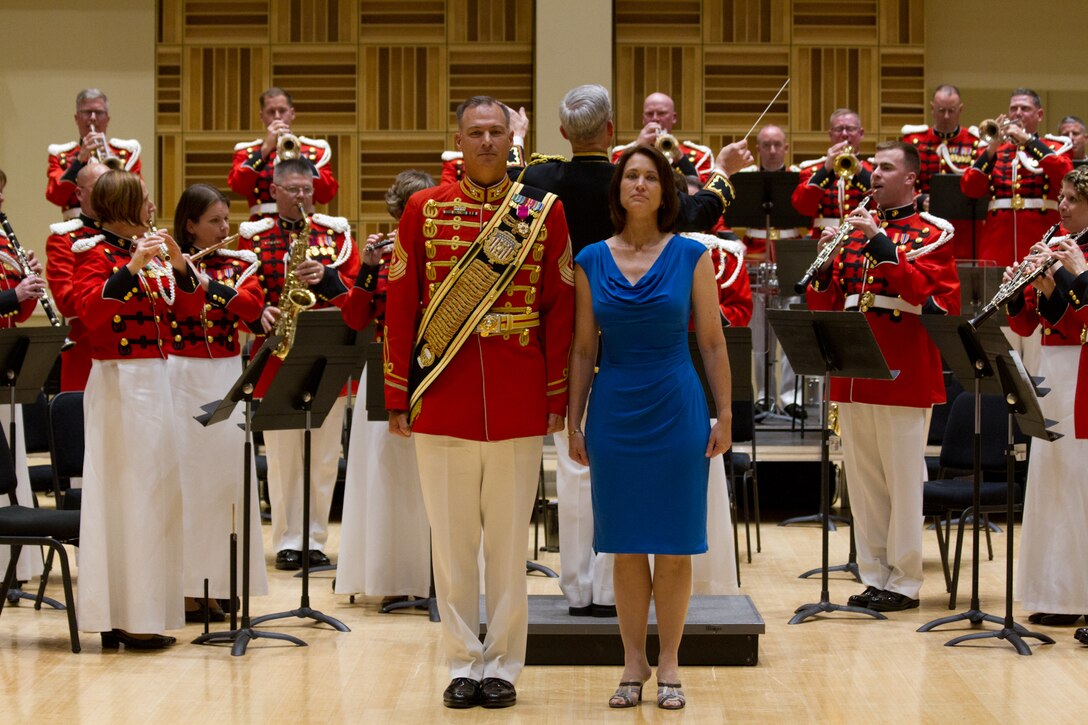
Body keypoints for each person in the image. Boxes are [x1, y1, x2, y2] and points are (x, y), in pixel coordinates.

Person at [517, 84, 750, 613]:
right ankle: (606, 588)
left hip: (566, 348)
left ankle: (577, 584)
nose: (640, 183)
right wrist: (724, 175)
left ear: (562, 133)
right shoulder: (624, 187)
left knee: (573, 478)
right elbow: (696, 211)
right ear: (611, 132)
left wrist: (516, 142)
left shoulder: (537, 177)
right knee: (607, 484)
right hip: (614, 355)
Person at [383, 96, 573, 709]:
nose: (487, 141)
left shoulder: (543, 214)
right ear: (459, 140)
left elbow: (558, 309)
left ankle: (506, 666)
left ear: (508, 139)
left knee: (509, 545)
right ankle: (463, 660)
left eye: (496, 131)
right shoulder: (423, 209)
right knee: (453, 542)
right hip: (443, 397)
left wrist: (555, 397)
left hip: (517, 397)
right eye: (476, 132)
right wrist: (397, 393)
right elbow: (402, 304)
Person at [568, 145, 732, 710]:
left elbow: (712, 342)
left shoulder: (692, 256)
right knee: (627, 545)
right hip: (615, 408)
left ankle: (670, 661)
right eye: (629, 176)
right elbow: (584, 347)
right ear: (617, 190)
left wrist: (726, 413)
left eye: (650, 177)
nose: (639, 184)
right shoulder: (590, 258)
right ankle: (632, 662)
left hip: (676, 406)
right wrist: (574, 421)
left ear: (667, 191)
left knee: (675, 544)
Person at [804, 141, 959, 613]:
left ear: (911, 178)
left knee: (902, 481)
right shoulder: (849, 234)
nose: (874, 176)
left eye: (886, 169)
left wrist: (882, 244)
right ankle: (873, 574)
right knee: (865, 482)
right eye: (874, 168)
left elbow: (932, 299)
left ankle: (907, 580)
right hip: (854, 371)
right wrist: (824, 272)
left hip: (902, 371)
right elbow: (826, 306)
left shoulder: (933, 233)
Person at [72, 170, 201, 649]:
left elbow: (188, 313)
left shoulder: (151, 254)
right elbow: (88, 313)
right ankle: (121, 615)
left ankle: (143, 611)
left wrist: (180, 265)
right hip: (120, 383)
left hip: (155, 379)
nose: (152, 207)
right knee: (128, 497)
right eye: (145, 199)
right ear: (126, 205)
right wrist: (129, 270)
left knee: (155, 495)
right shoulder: (97, 254)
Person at [237, 157, 359, 571]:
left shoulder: (336, 235)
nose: (302, 197)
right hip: (276, 355)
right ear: (273, 192)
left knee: (325, 455)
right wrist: (262, 310)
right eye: (293, 190)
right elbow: (244, 288)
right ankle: (289, 539)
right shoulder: (255, 238)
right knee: (285, 454)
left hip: (327, 352)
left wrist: (327, 276)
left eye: (307, 190)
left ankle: (316, 539)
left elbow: (357, 293)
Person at [168, 184, 268, 622]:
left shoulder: (242, 263)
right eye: (214, 221)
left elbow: (252, 310)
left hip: (228, 374)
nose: (225, 228)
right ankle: (189, 587)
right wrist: (186, 274)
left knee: (227, 483)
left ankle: (224, 582)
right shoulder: (165, 267)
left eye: (226, 219)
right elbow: (184, 308)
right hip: (180, 376)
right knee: (189, 484)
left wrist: (208, 281)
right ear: (190, 225)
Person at [335, 171, 434, 607]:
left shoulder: (440, 249)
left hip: (432, 367)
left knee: (429, 475)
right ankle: (391, 574)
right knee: (388, 477)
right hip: (386, 367)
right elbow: (355, 319)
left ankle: (430, 577)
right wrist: (369, 272)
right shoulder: (380, 252)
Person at [1004, 166, 1088, 626]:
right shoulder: (1057, 245)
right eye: (1061, 195)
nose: (1062, 204)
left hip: (1081, 367)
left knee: (1076, 480)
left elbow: (1082, 324)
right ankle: (1052, 592)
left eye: (1073, 198)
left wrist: (1061, 282)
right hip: (1052, 366)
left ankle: (1078, 593)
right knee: (1049, 478)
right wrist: (1023, 293)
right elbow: (1027, 327)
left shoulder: (1081, 256)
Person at [961, 88, 1074, 269]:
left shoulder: (1054, 147)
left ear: (1039, 115)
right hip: (997, 243)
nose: (1018, 113)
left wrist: (1028, 142)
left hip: (1040, 238)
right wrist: (991, 148)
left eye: (1025, 108)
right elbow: (970, 188)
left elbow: (1065, 177)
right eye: (1014, 108)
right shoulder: (994, 150)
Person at [0, 168, 48, 588]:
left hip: (4, 361)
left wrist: (25, 289)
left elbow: (17, 315)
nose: (1, 205)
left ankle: (14, 565)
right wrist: (12, 294)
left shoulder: (2, 243)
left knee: (10, 464)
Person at [45, 161, 110, 392]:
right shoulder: (64, 239)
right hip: (88, 358)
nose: (108, 192)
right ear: (79, 194)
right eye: (100, 186)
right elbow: (67, 303)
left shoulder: (130, 236)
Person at [228, 87, 339, 220]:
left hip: (304, 225)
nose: (277, 117)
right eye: (270, 112)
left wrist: (300, 157)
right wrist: (265, 149)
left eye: (282, 111)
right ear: (261, 116)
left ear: (292, 113)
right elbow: (238, 186)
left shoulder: (314, 151)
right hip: (261, 228)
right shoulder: (247, 152)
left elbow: (327, 194)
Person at [900, 85, 982, 260]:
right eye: (941, 110)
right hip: (923, 223)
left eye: (951, 111)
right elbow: (901, 182)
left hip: (964, 229)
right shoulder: (914, 141)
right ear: (931, 108)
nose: (946, 116)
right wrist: (920, 199)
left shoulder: (975, 142)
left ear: (960, 109)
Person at [47, 89, 141, 219]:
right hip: (76, 231)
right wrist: (79, 161)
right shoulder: (61, 155)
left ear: (107, 119)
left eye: (99, 112)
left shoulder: (126, 155)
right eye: (86, 112)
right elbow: (55, 197)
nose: (92, 118)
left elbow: (136, 196)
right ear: (76, 118)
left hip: (116, 227)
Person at [791, 108, 872, 238]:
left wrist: (860, 171)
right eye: (839, 129)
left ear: (861, 133)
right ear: (830, 134)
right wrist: (825, 170)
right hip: (823, 238)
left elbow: (883, 203)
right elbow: (802, 207)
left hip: (861, 240)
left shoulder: (872, 170)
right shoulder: (813, 171)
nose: (845, 134)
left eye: (850, 129)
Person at [611, 92, 714, 182]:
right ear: (643, 119)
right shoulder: (620, 153)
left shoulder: (700, 156)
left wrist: (679, 157)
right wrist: (637, 147)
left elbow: (701, 191)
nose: (655, 118)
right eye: (649, 114)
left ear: (674, 118)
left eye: (661, 113)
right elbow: (613, 183)